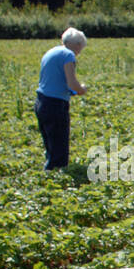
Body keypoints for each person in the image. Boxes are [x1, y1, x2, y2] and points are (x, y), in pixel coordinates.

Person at [34, 27, 88, 171]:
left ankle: (49, 171)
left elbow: (56, 81)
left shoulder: (51, 52)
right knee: (59, 146)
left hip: (41, 101)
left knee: (50, 144)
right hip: (55, 105)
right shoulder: (68, 55)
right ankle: (55, 176)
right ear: (76, 44)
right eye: (80, 47)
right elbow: (72, 83)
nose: (79, 51)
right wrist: (81, 89)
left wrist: (72, 92)